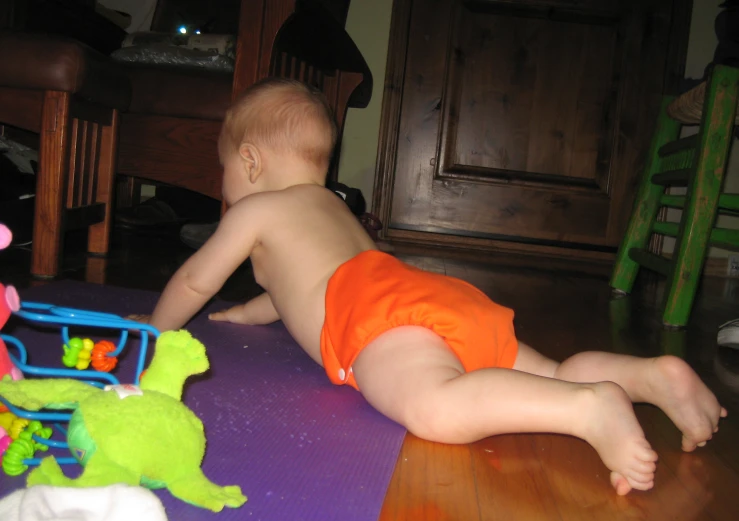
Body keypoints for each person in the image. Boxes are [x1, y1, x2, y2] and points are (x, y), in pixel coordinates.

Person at [139, 77, 727, 496]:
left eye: (222, 170)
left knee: (434, 408)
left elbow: (195, 278)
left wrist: (156, 330)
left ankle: (588, 408)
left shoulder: (257, 210)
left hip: (383, 321)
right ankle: (648, 377)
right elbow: (304, 287)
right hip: (427, 295)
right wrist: (249, 311)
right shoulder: (334, 211)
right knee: (544, 371)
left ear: (249, 162)